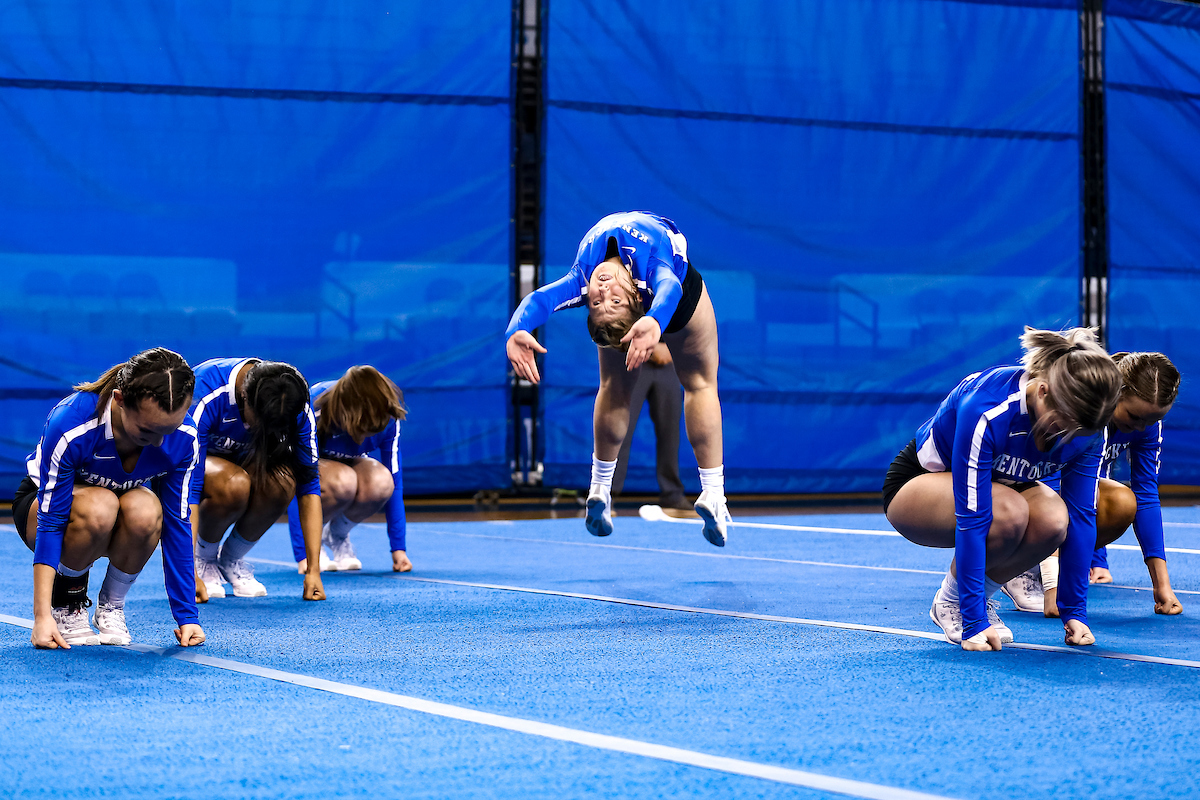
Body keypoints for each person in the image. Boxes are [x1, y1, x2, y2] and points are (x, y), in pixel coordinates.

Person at [883, 327, 1121, 651]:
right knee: (1008, 510)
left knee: (1055, 517)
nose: (1068, 437)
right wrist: (973, 620)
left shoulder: (1087, 431)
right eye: (1062, 424)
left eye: (1078, 430)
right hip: (916, 487)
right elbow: (973, 517)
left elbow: (1081, 517)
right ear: (1042, 391)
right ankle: (952, 603)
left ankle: (983, 595)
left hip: (1001, 491)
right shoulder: (988, 408)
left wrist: (1075, 612)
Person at [505, 211, 729, 546]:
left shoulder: (584, 277)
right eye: (601, 301)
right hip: (669, 300)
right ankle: (710, 493)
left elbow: (541, 299)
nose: (603, 291)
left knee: (622, 389)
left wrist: (516, 329)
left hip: (661, 307)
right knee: (700, 383)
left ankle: (603, 489)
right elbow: (668, 286)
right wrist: (654, 320)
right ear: (637, 297)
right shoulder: (643, 269)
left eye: (598, 301)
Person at [13, 348, 205, 649]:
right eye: (146, 432)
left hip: (119, 512)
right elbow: (50, 521)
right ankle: (68, 603)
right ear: (119, 400)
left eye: (167, 431)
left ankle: (112, 606)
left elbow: (178, 524)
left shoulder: (185, 438)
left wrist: (187, 616)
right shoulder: (73, 423)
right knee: (100, 506)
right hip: (45, 509)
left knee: (147, 509)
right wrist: (41, 617)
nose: (158, 443)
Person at [1002, 351, 1182, 616]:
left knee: (1122, 501)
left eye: (1151, 420)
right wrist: (1054, 589)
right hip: (1016, 490)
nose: (1141, 427)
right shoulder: (1077, 412)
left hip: (1056, 499)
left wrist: (1162, 586)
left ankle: (1039, 564)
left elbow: (1145, 494)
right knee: (1060, 502)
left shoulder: (1143, 425)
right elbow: (1051, 488)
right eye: (1134, 416)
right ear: (1115, 394)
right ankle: (1020, 566)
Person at [189, 357, 325, 602]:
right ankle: (204, 560)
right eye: (262, 423)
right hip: (195, 468)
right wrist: (188, 572)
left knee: (283, 483)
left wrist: (313, 570)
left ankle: (231, 559)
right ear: (243, 396)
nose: (265, 430)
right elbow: (189, 487)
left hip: (242, 464)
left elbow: (309, 488)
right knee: (234, 484)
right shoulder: (206, 392)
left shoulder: (294, 404)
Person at [285, 365, 411, 573]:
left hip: (346, 472)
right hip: (313, 476)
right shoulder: (314, 408)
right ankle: (314, 541)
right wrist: (305, 555)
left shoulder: (389, 416)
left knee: (382, 481)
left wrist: (399, 549)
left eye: (370, 432)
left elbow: (395, 486)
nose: (361, 439)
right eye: (359, 430)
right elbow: (298, 478)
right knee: (343, 480)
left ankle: (337, 534)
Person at [612, 342, 690, 511]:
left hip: (668, 363)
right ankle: (605, 495)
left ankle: (672, 495)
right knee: (619, 429)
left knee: (670, 432)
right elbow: (617, 321)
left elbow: (684, 321)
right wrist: (652, 348)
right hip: (631, 358)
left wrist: (673, 348)